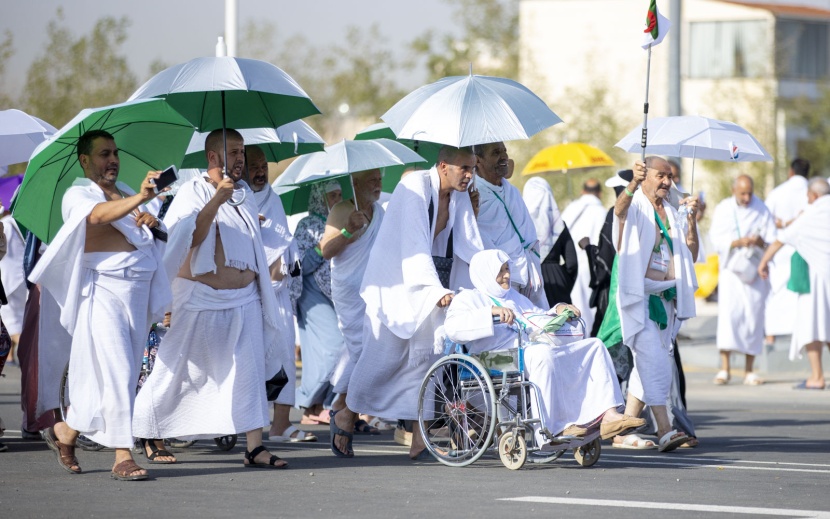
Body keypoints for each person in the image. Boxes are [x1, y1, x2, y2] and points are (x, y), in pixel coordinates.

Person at [132, 129, 291, 469]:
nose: (241, 159)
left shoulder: (244, 194)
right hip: (201, 297)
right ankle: (150, 430)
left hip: (245, 298)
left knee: (248, 372)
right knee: (176, 370)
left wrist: (231, 198)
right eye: (233, 151)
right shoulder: (193, 191)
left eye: (242, 152)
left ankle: (254, 447)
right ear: (213, 157)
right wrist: (216, 198)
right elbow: (188, 238)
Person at [30, 129, 172, 479]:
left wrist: (150, 220)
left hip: (136, 292)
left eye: (115, 153)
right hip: (102, 291)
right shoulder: (77, 193)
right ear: (85, 160)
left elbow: (141, 233)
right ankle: (123, 454)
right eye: (104, 154)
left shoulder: (124, 195)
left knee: (111, 376)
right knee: (119, 368)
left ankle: (66, 432)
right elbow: (94, 217)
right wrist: (140, 198)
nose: (113, 160)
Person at [330, 145, 483, 459]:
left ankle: (419, 437)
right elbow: (412, 244)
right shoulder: (413, 185)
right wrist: (430, 289)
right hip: (396, 282)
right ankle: (347, 412)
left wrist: (486, 282)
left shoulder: (462, 195)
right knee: (383, 358)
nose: (470, 175)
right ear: (442, 166)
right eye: (464, 168)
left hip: (433, 284)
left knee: (426, 359)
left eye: (473, 168)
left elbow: (469, 244)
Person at [445, 249, 645, 444]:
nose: (507, 275)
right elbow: (453, 329)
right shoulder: (469, 298)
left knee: (594, 346)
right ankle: (552, 427)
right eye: (501, 271)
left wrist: (559, 309)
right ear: (485, 272)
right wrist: (490, 312)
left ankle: (608, 414)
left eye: (507, 269)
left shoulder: (515, 297)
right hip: (493, 358)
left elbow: (536, 318)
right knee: (542, 354)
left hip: (527, 350)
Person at [611, 157, 699, 452]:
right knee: (654, 362)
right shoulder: (635, 205)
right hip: (642, 299)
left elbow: (691, 255)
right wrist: (632, 184)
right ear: (645, 176)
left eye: (670, 177)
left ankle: (623, 430)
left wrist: (691, 223)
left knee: (644, 368)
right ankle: (665, 429)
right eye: (661, 176)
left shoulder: (672, 212)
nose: (667, 182)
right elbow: (618, 212)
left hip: (668, 300)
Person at [244, 145, 314, 442]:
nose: (261, 171)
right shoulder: (235, 199)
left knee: (284, 356)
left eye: (264, 165)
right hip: (249, 295)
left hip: (280, 294)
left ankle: (281, 424)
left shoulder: (272, 199)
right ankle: (245, 425)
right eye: (254, 166)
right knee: (251, 361)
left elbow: (283, 242)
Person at [322, 168, 387, 435]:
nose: (377, 185)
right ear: (355, 183)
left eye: (380, 180)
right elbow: (325, 250)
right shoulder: (341, 209)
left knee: (370, 348)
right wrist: (348, 230)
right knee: (361, 349)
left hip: (375, 290)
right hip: (349, 291)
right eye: (372, 180)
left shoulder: (380, 212)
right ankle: (345, 408)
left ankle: (343, 406)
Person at [759, 177, 830, 390]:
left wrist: (763, 262)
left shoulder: (812, 213)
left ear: (814, 196)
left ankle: (817, 377)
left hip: (815, 280)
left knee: (812, 326)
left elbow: (782, 238)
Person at [709, 175, 776, 385]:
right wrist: (738, 242)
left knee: (753, 318)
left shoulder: (762, 209)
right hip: (731, 270)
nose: (746, 198)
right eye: (742, 193)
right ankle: (725, 368)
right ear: (734, 190)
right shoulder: (724, 208)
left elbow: (772, 240)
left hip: (754, 270)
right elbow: (715, 238)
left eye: (749, 193)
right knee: (729, 317)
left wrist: (759, 241)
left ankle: (749, 370)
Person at [290, 181, 345, 427]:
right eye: (331, 195)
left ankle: (321, 406)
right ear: (318, 199)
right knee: (334, 347)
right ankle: (309, 402)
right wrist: (324, 247)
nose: (337, 200)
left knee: (341, 350)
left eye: (340, 195)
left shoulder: (341, 221)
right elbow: (297, 266)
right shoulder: (306, 226)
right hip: (311, 293)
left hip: (338, 294)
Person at [473, 142, 545, 307]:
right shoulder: (473, 195)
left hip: (526, 275)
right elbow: (477, 239)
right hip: (499, 280)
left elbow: (528, 233)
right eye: (496, 152)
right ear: (478, 161)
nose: (504, 156)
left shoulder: (512, 191)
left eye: (505, 151)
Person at [763, 158, 810, 345]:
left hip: (780, 249)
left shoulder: (777, 193)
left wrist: (783, 223)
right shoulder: (814, 192)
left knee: (777, 291)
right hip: (806, 249)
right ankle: (804, 334)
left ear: (791, 171)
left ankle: (771, 336)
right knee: (804, 293)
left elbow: (765, 220)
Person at [522, 177, 578, 308]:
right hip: (556, 279)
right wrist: (563, 279)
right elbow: (572, 263)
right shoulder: (558, 224)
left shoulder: (521, 224)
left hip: (529, 279)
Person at [561, 178, 607, 334]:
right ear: (600, 193)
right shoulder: (602, 212)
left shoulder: (571, 209)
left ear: (582, 191)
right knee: (590, 305)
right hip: (592, 265)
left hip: (570, 264)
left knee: (575, 304)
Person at [0, 210, 26, 364]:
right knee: (14, 319)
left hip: (8, 279)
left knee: (11, 320)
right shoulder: (20, 223)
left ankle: (26, 349)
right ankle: (9, 356)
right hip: (19, 277)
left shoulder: (6, 225)